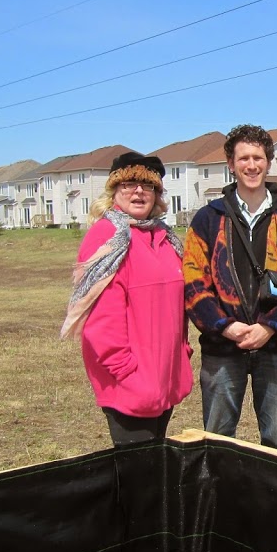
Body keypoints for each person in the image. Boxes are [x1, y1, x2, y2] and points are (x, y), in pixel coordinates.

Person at [183, 124, 277, 453]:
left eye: (258, 157)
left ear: (269, 162)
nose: (251, 165)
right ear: (231, 164)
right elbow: (193, 282)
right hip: (222, 351)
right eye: (243, 158)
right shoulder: (207, 219)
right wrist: (225, 327)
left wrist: (269, 328)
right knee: (215, 442)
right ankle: (216, 504)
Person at [61, 152, 193, 446]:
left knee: (154, 471)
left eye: (147, 186)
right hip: (130, 385)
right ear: (114, 191)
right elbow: (101, 320)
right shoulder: (108, 237)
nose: (138, 191)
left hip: (163, 378)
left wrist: (181, 353)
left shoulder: (164, 237)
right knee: (137, 477)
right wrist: (128, 374)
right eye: (129, 184)